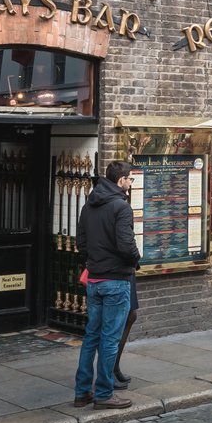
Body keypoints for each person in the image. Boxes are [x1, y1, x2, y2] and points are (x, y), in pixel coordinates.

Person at [72, 161, 141, 410]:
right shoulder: (120, 207)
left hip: (94, 280)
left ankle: (82, 393)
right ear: (121, 180)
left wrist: (96, 261)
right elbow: (126, 245)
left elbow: (81, 243)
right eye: (130, 179)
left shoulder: (88, 206)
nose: (131, 184)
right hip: (116, 280)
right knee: (110, 339)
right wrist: (136, 259)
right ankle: (103, 393)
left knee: (91, 337)